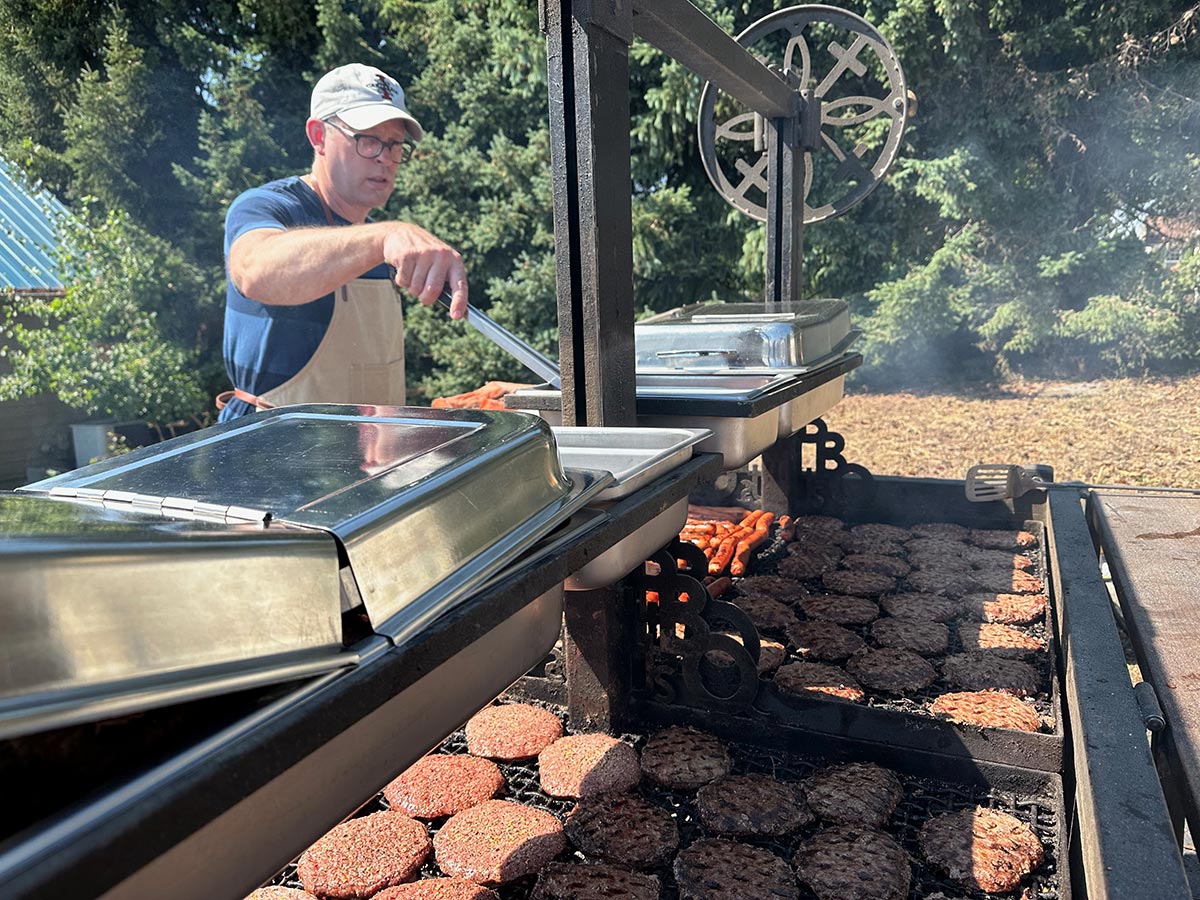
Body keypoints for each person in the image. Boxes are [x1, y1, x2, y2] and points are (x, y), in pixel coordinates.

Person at [216, 63, 468, 421]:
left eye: (395, 145)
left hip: (374, 449)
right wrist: (384, 236)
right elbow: (255, 271)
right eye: (368, 140)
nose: (385, 158)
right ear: (318, 136)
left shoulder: (383, 246)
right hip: (272, 448)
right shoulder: (267, 207)